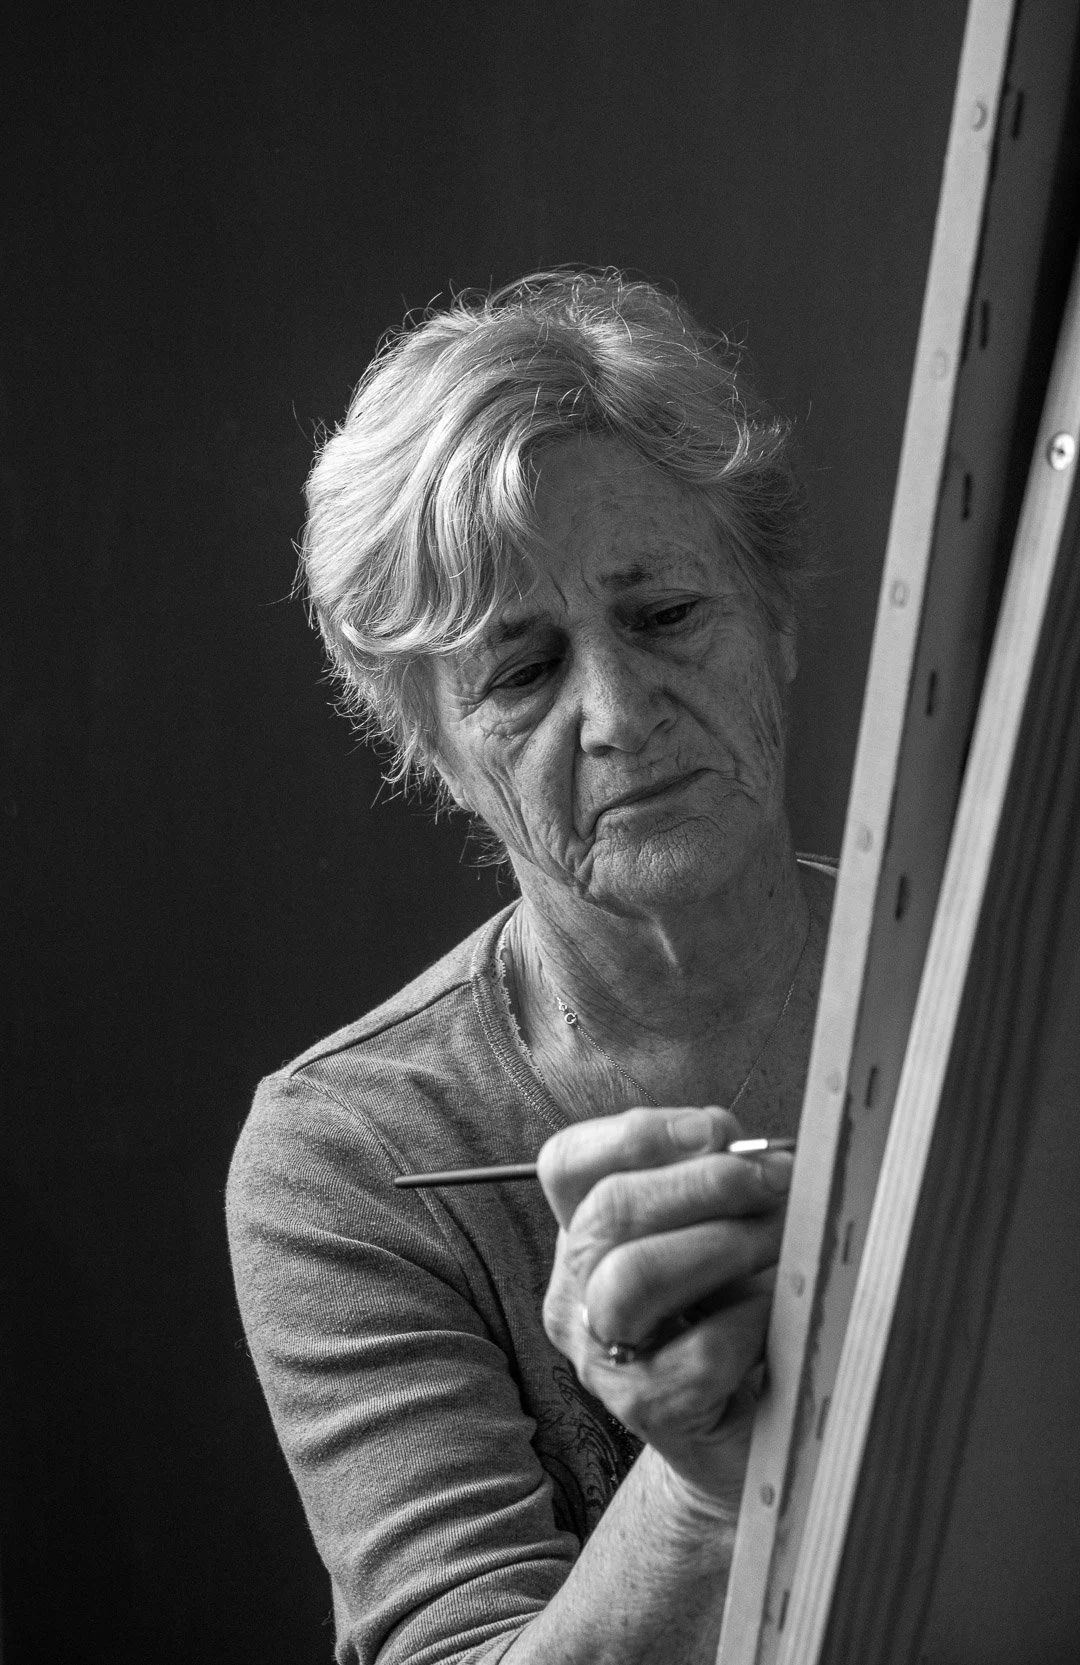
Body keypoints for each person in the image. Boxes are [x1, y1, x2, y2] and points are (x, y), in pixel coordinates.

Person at [226, 268, 834, 1665]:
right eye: (520, 673)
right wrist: (701, 1488)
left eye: (664, 614)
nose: (617, 714)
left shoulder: (1007, 984)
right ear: (437, 756)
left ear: (779, 620)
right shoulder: (351, 1158)